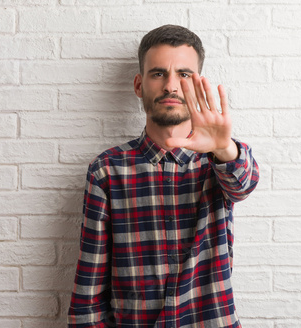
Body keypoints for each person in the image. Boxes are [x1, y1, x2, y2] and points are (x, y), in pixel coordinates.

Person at [67, 24, 260, 328]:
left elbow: (244, 184)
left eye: (184, 74)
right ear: (139, 85)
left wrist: (223, 147)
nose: (171, 86)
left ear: (197, 86)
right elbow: (89, 283)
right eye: (158, 74)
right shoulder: (107, 169)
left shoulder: (218, 160)